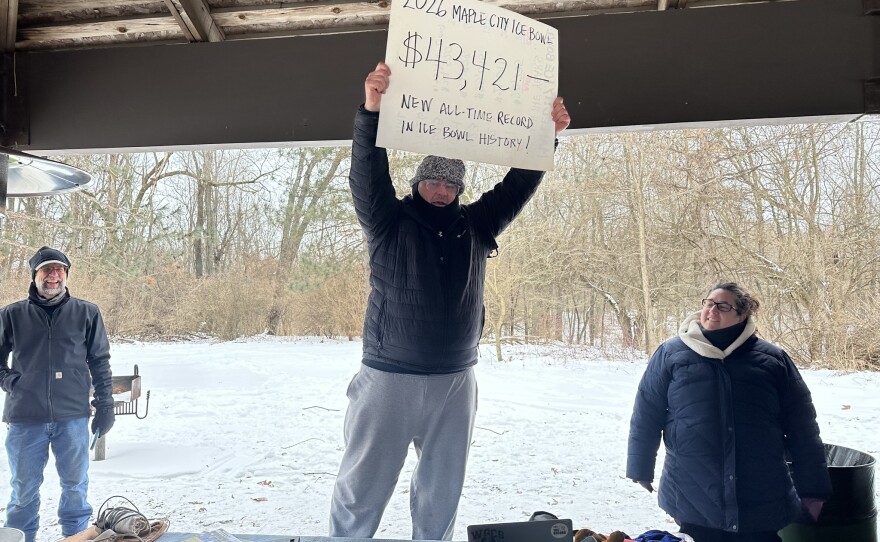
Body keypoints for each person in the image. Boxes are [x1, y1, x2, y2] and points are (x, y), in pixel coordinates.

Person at [329, 61, 570, 540]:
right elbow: (366, 173)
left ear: (460, 188)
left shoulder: (476, 225)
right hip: (389, 375)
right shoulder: (388, 220)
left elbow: (518, 185)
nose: (441, 191)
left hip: (456, 378)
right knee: (364, 484)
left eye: (451, 183)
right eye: (434, 181)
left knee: (443, 487)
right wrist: (371, 111)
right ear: (418, 182)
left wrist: (549, 134)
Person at [626, 282, 832, 542]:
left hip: (762, 493)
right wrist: (640, 466)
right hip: (693, 491)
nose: (712, 310)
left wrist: (813, 488)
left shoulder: (773, 360)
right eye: (709, 303)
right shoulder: (671, 353)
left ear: (742, 314)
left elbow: (803, 427)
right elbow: (646, 413)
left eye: (723, 306)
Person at [0, 246, 115, 542]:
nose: (54, 276)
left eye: (59, 270)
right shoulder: (12, 315)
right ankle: (21, 538)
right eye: (47, 270)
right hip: (25, 418)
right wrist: (15, 383)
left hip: (72, 416)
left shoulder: (87, 312)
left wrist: (105, 404)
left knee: (76, 487)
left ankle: (75, 538)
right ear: (35, 275)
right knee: (23, 490)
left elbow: (99, 361)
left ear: (66, 274)